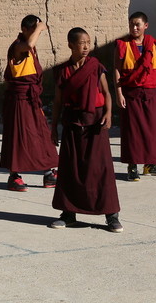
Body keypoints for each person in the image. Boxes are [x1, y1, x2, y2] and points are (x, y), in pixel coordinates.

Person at [49, 27, 122, 232]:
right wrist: (53, 127)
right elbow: (57, 102)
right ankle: (68, 214)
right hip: (72, 122)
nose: (86, 47)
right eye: (82, 43)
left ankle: (112, 215)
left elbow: (106, 92)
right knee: (70, 169)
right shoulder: (63, 71)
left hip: (95, 123)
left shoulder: (95, 66)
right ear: (71, 45)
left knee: (101, 170)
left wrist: (109, 113)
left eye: (88, 43)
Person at [0, 14, 58, 191]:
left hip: (32, 99)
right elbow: (29, 44)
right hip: (19, 101)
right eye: (31, 30)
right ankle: (14, 176)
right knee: (18, 137)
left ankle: (48, 173)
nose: (35, 34)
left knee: (41, 136)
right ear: (24, 30)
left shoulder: (31, 50)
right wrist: (40, 28)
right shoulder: (18, 46)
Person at [114, 11, 156, 181]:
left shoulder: (152, 43)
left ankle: (150, 164)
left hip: (150, 91)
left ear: (146, 26)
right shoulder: (122, 44)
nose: (134, 27)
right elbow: (117, 69)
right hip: (131, 92)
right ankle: (132, 166)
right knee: (132, 130)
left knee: (152, 129)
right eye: (131, 24)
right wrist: (118, 93)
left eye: (137, 24)